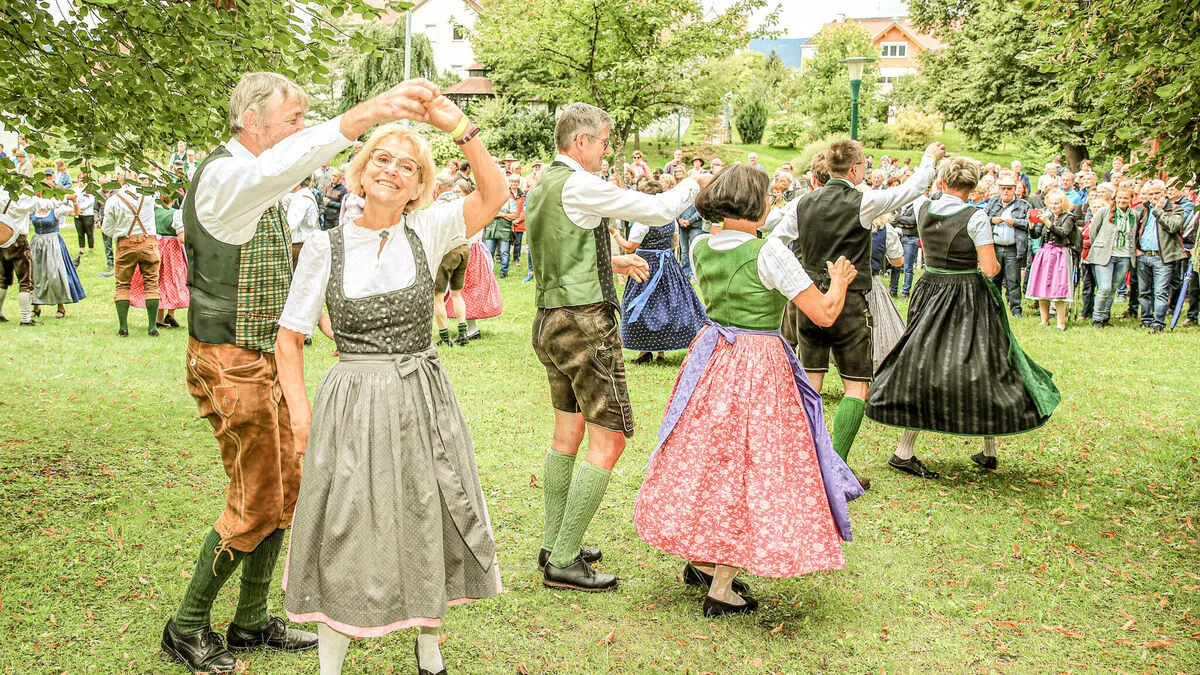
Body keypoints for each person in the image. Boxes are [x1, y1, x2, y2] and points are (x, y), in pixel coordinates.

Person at [159, 72, 439, 674]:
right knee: (257, 499)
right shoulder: (226, 175)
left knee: (289, 491)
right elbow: (277, 171)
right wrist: (362, 117)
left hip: (262, 356)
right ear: (255, 120)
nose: (299, 132)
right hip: (229, 360)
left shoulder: (261, 189)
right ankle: (184, 626)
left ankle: (253, 618)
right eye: (293, 120)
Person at [277, 94, 506, 675]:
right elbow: (289, 338)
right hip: (351, 398)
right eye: (382, 157)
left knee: (426, 509)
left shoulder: (427, 230)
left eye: (407, 166)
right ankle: (331, 664)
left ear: (418, 187)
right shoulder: (323, 248)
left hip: (419, 394)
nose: (391, 170)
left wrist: (462, 129)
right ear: (360, 171)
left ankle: (429, 652)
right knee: (345, 522)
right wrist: (302, 421)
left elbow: (495, 195)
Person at [633, 164, 863, 617]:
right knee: (752, 465)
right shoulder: (769, 252)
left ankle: (700, 559)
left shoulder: (701, 245)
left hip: (714, 356)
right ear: (757, 205)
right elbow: (823, 314)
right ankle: (721, 587)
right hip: (758, 363)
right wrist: (838, 282)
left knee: (708, 459)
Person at [526, 102, 707, 592]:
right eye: (605, 143)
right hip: (584, 322)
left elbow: (557, 248)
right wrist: (697, 182)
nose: (607, 152)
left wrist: (613, 262)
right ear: (581, 142)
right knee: (611, 438)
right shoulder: (581, 183)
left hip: (549, 318)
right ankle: (564, 560)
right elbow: (657, 209)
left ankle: (554, 541)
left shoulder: (543, 183)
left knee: (568, 431)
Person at [866, 157, 1060, 478]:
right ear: (973, 188)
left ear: (942, 183)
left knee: (925, 362)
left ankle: (978, 450)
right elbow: (989, 268)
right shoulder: (976, 217)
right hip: (965, 294)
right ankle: (914, 450)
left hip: (928, 288)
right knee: (983, 361)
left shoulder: (921, 207)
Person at [770, 140, 946, 487]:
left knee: (812, 383)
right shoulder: (863, 201)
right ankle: (835, 465)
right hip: (850, 302)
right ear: (854, 170)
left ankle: (807, 464)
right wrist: (928, 159)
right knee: (855, 387)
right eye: (863, 166)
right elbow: (910, 190)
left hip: (809, 300)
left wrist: (798, 279)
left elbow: (775, 241)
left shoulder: (802, 202)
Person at [609, 179, 708, 363]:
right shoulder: (670, 219)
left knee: (645, 306)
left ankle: (644, 351)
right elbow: (675, 242)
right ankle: (661, 352)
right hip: (668, 263)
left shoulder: (643, 220)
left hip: (644, 264)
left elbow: (629, 247)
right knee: (669, 305)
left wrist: (614, 233)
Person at [14, 175, 86, 319]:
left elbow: (75, 213)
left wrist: (75, 202)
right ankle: (36, 306)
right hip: (36, 242)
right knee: (35, 274)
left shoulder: (56, 208)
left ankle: (61, 306)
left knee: (55, 274)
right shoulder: (34, 207)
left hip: (52, 242)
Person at [105, 172, 162, 337]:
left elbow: (108, 229)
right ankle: (152, 327)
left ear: (117, 180)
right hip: (148, 243)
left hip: (126, 243)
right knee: (151, 284)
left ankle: (123, 327)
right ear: (136, 178)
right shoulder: (148, 196)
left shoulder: (114, 200)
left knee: (122, 285)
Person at [1133, 179, 1187, 333]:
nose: (1155, 196)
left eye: (1157, 193)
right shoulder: (1141, 210)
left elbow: (1173, 227)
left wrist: (1158, 211)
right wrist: (1136, 249)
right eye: (1151, 194)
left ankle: (1158, 323)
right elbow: (1135, 232)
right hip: (1143, 255)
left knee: (1160, 292)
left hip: (1162, 257)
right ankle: (1146, 320)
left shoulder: (1176, 209)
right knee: (1143, 291)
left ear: (1164, 193)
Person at [1025, 189, 1082, 330]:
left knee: (1059, 288)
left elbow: (1063, 233)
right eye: (1051, 203)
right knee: (1041, 286)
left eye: (1057, 203)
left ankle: (1060, 322)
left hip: (1060, 253)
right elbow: (1036, 235)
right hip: (1044, 252)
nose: (1054, 206)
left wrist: (1048, 223)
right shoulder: (1047, 215)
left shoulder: (1068, 217)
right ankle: (1044, 320)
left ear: (1063, 203)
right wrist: (1032, 225)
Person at [130, 195, 188, 328]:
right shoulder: (176, 214)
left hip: (153, 247)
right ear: (173, 199)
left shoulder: (151, 212)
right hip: (171, 251)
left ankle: (159, 318)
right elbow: (182, 238)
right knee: (172, 280)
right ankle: (170, 314)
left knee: (158, 281)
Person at [1087, 185, 1137, 327]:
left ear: (1131, 199)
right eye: (1120, 197)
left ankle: (1105, 317)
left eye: (1125, 198)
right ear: (1115, 198)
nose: (1122, 200)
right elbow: (1093, 232)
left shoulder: (1134, 215)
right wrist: (1100, 246)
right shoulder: (1104, 212)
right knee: (1104, 288)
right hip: (1104, 254)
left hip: (1125, 255)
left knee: (1113, 289)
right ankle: (1097, 318)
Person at [985, 173, 1032, 317]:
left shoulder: (1024, 205)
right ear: (999, 189)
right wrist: (992, 220)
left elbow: (1031, 225)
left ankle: (1015, 309)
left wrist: (1015, 222)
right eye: (1003, 188)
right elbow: (981, 219)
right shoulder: (992, 203)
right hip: (995, 247)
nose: (1006, 191)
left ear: (1014, 190)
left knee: (1013, 280)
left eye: (1009, 188)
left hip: (1013, 247)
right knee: (994, 278)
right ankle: (994, 308)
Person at [0, 189, 39, 326]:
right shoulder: (23, 198)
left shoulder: (1, 193)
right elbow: (37, 204)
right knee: (25, 280)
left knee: (2, 280)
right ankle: (25, 318)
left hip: (2, 238)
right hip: (18, 239)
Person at [285, 177, 320, 269]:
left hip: (298, 245)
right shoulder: (303, 196)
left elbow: (291, 226)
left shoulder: (301, 199)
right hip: (303, 243)